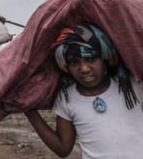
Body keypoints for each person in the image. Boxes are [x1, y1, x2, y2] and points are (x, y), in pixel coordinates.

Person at [26, 24, 143, 159]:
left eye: (91, 59)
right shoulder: (67, 97)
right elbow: (63, 149)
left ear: (104, 58)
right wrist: (30, 111)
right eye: (74, 62)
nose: (84, 69)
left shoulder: (131, 85)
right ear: (66, 67)